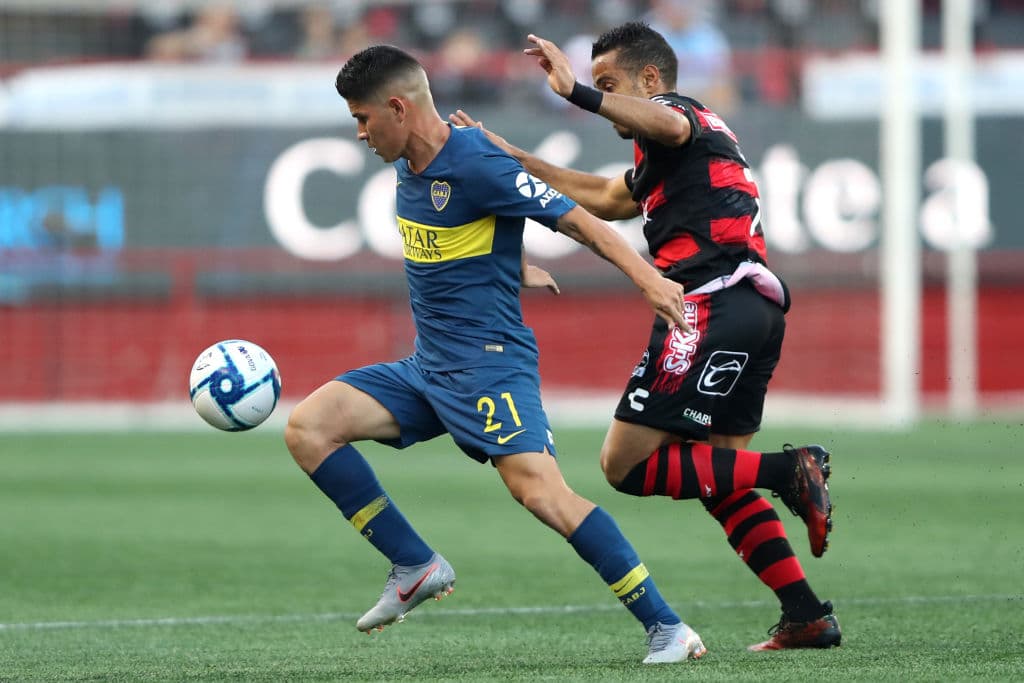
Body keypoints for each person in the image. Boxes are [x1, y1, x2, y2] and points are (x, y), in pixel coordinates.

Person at [284, 44, 707, 665]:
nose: (359, 132)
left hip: (488, 365)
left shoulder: (476, 161)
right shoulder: (410, 158)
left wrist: (646, 280)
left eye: (363, 117)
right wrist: (511, 266)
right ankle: (414, 565)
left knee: (545, 497)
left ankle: (669, 628)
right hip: (428, 368)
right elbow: (465, 234)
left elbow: (581, 223)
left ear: (398, 108)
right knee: (307, 429)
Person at [449, 21, 841, 651]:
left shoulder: (679, 114)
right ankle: (806, 615)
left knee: (623, 465)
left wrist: (577, 90)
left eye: (613, 85)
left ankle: (791, 469)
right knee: (720, 476)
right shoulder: (670, 153)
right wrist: (512, 159)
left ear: (651, 79)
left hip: (706, 305)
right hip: (755, 310)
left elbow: (669, 122)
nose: (606, 103)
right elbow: (606, 196)